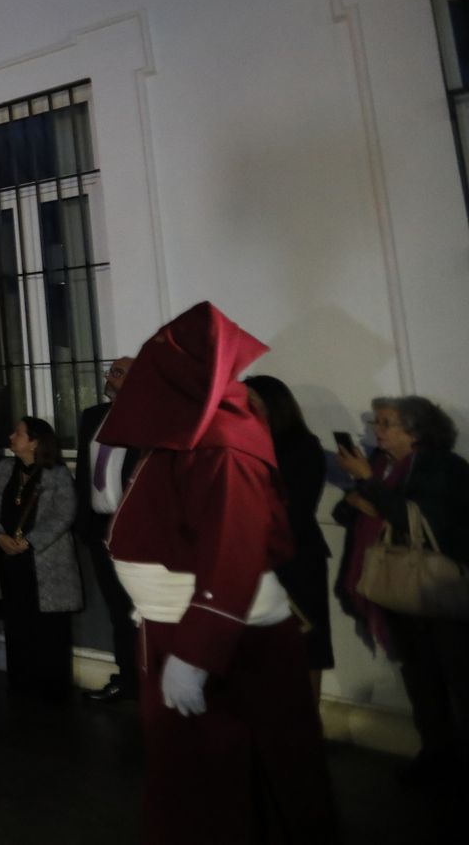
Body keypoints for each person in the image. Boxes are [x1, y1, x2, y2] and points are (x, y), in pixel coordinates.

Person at [102, 302, 337, 843]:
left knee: (225, 775)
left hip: (214, 639)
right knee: (195, 776)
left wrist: (195, 654)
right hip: (176, 625)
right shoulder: (196, 433)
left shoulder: (225, 443)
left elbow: (234, 550)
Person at [334, 395, 469, 787]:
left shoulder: (442, 466)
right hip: (397, 587)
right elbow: (347, 514)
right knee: (420, 677)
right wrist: (361, 495)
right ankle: (436, 756)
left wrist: (369, 485)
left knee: (458, 677)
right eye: (377, 421)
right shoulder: (381, 464)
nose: (377, 430)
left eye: (387, 423)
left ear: (416, 431)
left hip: (437, 588)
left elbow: (428, 524)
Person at [245, 375, 335, 697]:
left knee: (307, 642)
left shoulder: (301, 446)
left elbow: (296, 506)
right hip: (257, 557)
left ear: (273, 405)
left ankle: (310, 729)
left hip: (296, 556)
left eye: (250, 400)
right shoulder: (246, 444)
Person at [0, 417, 81, 699]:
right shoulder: (4, 469)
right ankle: (21, 683)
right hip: (9, 560)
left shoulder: (57, 473)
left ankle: (52, 689)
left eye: (19, 433)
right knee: (16, 622)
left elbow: (63, 513)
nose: (12, 436)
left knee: (49, 628)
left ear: (35, 441)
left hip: (44, 562)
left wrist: (29, 542)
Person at [75, 358, 141, 703]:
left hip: (133, 528)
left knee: (141, 609)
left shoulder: (148, 417)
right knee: (118, 609)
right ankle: (127, 679)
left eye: (117, 373)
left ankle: (151, 680)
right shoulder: (92, 417)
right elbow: (86, 473)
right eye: (109, 372)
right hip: (100, 526)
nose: (108, 378)